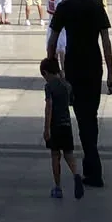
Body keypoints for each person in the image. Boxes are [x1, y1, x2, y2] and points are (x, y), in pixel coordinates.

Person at [51, 0, 112, 188]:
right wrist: (111, 75)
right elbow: (106, 42)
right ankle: (92, 166)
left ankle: (93, 166)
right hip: (94, 66)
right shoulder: (96, 7)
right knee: (90, 116)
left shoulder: (64, 8)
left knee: (82, 116)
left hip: (74, 67)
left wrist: (54, 71)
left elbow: (53, 40)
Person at [40, 53, 83, 201]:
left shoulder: (49, 86)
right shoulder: (67, 85)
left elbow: (49, 107)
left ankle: (58, 187)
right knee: (68, 153)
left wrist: (46, 129)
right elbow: (71, 102)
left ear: (45, 73)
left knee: (55, 155)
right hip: (67, 125)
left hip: (55, 126)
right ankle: (76, 174)